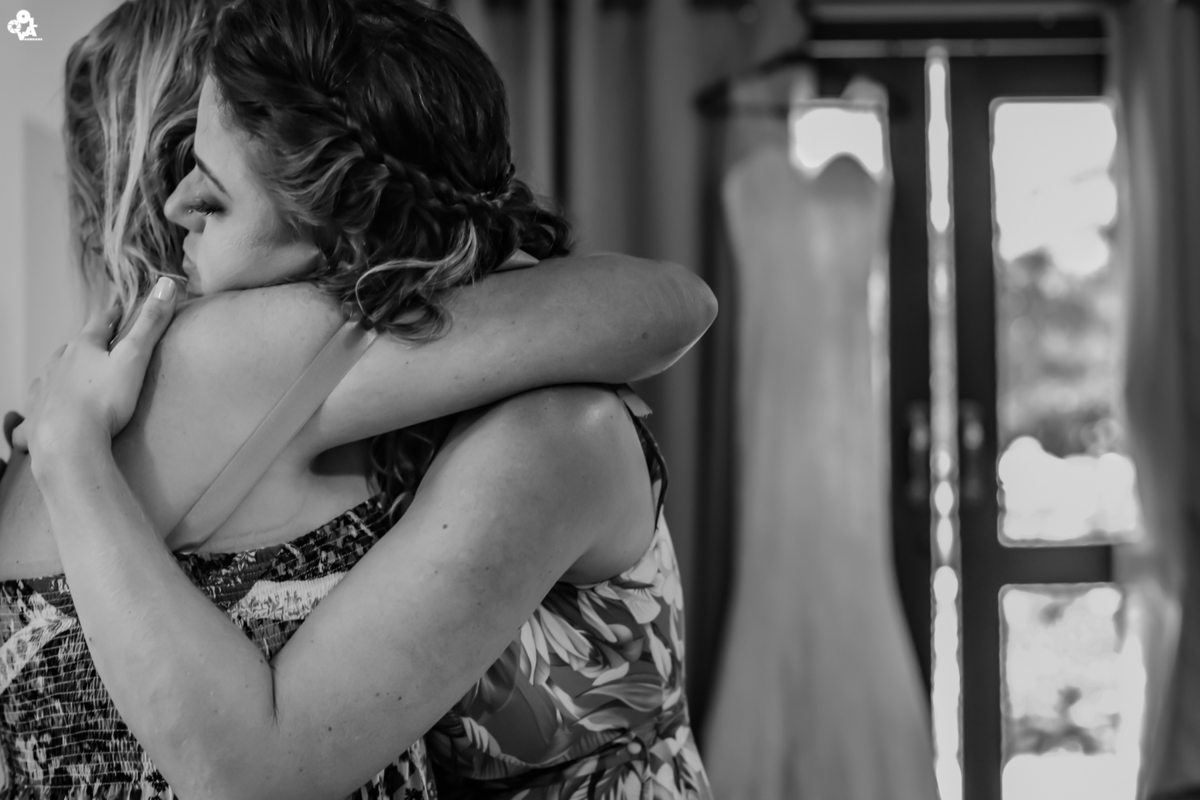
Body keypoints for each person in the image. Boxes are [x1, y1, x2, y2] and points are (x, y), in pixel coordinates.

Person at [2, 0, 715, 798]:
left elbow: (258, 774)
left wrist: (71, 453)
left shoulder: (552, 433)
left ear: (335, 232)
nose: (174, 209)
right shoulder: (354, 393)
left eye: (210, 192)